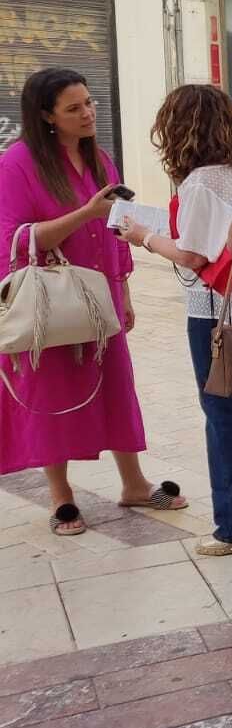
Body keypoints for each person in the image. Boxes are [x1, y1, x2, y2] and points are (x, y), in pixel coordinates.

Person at [0, 68, 188, 535]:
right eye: (74, 108)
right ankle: (61, 497)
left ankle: (135, 484)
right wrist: (85, 211)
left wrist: (123, 287)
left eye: (89, 103)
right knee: (51, 393)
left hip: (98, 296)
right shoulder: (18, 163)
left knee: (115, 387)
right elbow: (11, 240)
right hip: (48, 303)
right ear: (46, 116)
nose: (88, 113)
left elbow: (115, 230)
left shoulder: (101, 159)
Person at [120, 85, 232, 555]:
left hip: (214, 311)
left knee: (224, 414)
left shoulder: (203, 180)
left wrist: (141, 236)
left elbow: (192, 255)